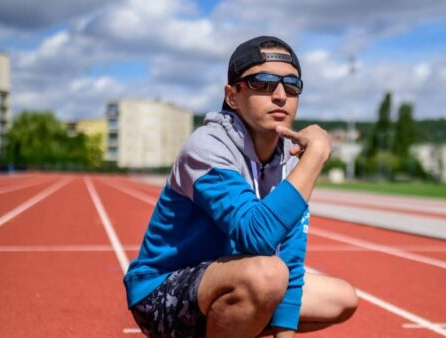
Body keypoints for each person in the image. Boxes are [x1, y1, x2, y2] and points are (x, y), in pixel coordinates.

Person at [124, 36, 359, 338]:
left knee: (340, 298)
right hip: (161, 291)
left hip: (233, 280)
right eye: (263, 83)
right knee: (267, 275)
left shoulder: (290, 160)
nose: (280, 95)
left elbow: (290, 261)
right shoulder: (208, 146)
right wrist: (315, 157)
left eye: (292, 85)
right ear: (232, 96)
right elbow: (255, 235)